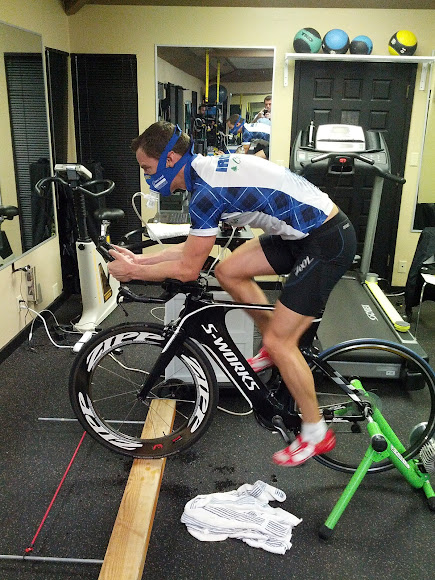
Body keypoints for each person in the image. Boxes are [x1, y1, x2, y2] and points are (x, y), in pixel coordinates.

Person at [108, 121, 357, 467]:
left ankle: (316, 431)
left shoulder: (206, 191)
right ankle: (273, 345)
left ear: (169, 160)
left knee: (283, 341)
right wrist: (140, 260)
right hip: (299, 235)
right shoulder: (204, 174)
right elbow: (192, 250)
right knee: (228, 271)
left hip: (326, 239)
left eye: (147, 168)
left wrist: (134, 273)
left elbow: (188, 269)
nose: (147, 176)